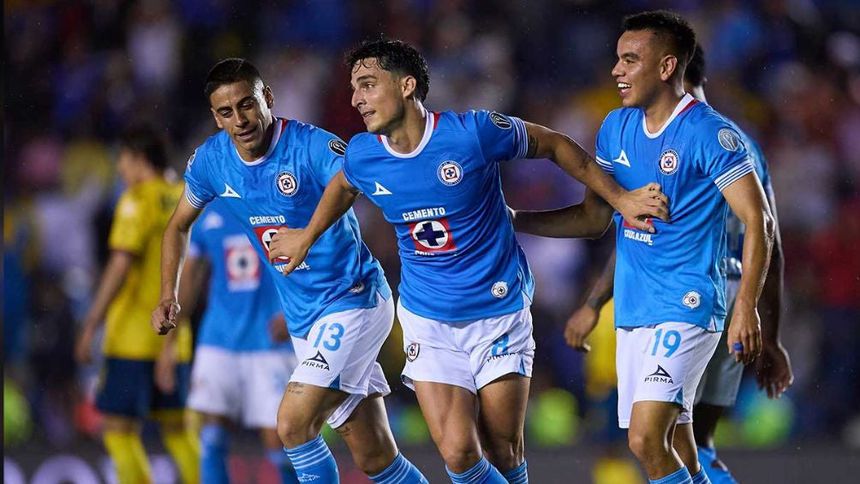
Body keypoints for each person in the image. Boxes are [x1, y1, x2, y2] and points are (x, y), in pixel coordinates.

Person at [268, 39, 669, 483]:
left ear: (406, 85)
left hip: (498, 311)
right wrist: (307, 235)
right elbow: (344, 185)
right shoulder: (364, 153)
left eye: (367, 84)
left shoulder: (472, 133)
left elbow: (553, 144)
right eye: (353, 88)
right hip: (428, 318)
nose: (356, 99)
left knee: (503, 453)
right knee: (460, 453)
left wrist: (620, 198)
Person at [511, 11, 775, 484]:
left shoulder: (709, 133)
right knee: (677, 445)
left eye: (630, 59)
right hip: (635, 310)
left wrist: (747, 307)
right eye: (618, 59)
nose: (617, 70)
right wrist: (515, 221)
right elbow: (596, 219)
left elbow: (760, 220)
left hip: (687, 303)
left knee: (645, 439)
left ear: (667, 66)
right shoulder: (616, 127)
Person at [151, 58, 426, 484]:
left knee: (292, 424)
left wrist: (306, 236)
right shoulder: (211, 161)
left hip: (353, 301)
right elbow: (178, 226)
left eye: (247, 104)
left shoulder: (310, 146)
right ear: (216, 117)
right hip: (304, 320)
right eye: (227, 112)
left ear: (268, 98)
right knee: (375, 458)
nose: (241, 120)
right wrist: (168, 293)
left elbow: (352, 182)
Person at [75, 126, 199, 484]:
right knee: (179, 431)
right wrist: (174, 339)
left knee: (118, 430)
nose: (120, 169)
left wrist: (90, 323)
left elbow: (120, 265)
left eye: (123, 160)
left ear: (140, 159)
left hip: (132, 337)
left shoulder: (136, 200)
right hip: (174, 340)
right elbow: (193, 272)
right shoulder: (186, 196)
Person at [179, 199, 299, 483]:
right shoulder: (207, 211)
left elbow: (310, 260)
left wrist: (294, 313)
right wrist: (171, 340)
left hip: (270, 342)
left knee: (282, 440)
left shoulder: (279, 201)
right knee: (211, 434)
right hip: (218, 340)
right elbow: (191, 274)